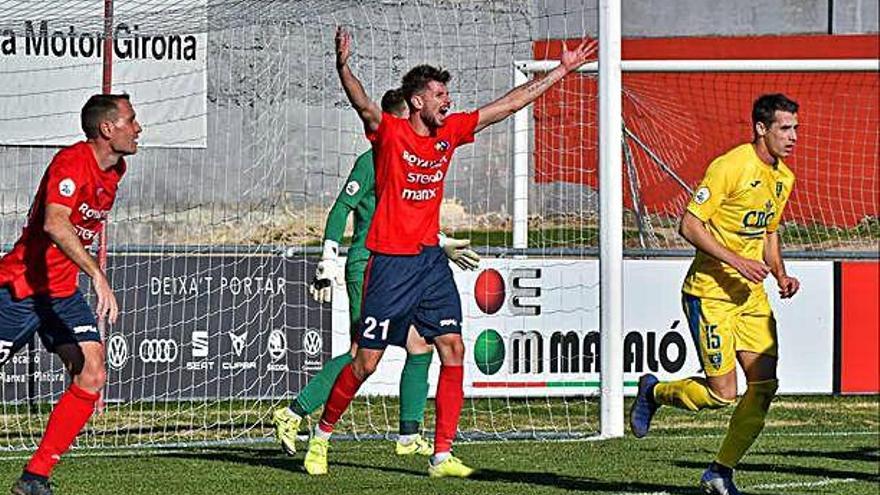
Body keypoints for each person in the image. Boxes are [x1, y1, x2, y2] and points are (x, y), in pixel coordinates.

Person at [300, 26, 597, 478]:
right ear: (417, 101)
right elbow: (362, 103)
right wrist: (343, 66)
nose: (447, 100)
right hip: (390, 263)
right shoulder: (392, 134)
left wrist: (562, 69)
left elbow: (510, 104)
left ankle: (441, 455)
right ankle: (321, 435)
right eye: (439, 94)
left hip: (429, 262)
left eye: (447, 93)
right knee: (366, 360)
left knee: (453, 348)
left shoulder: (451, 133)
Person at [272, 89, 480, 458]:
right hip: (372, 265)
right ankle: (293, 412)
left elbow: (408, 214)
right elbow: (341, 209)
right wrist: (329, 257)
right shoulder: (372, 161)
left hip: (410, 264)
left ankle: (408, 435)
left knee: (421, 346)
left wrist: (440, 240)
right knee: (361, 353)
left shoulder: (414, 157)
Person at [630, 94, 800, 495]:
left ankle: (720, 472)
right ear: (761, 128)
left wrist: (780, 273)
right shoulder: (730, 166)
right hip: (709, 294)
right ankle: (654, 391)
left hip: (752, 297)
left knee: (763, 386)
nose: (793, 137)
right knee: (723, 394)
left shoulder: (784, 178)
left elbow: (768, 232)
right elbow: (688, 225)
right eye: (785, 128)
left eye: (795, 128)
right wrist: (737, 262)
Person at [0, 94, 141, 495]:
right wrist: (96, 274)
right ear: (106, 128)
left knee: (92, 371)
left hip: (61, 294)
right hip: (22, 287)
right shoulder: (71, 162)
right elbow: (54, 224)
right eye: (131, 120)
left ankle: (35, 477)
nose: (138, 128)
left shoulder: (117, 170)